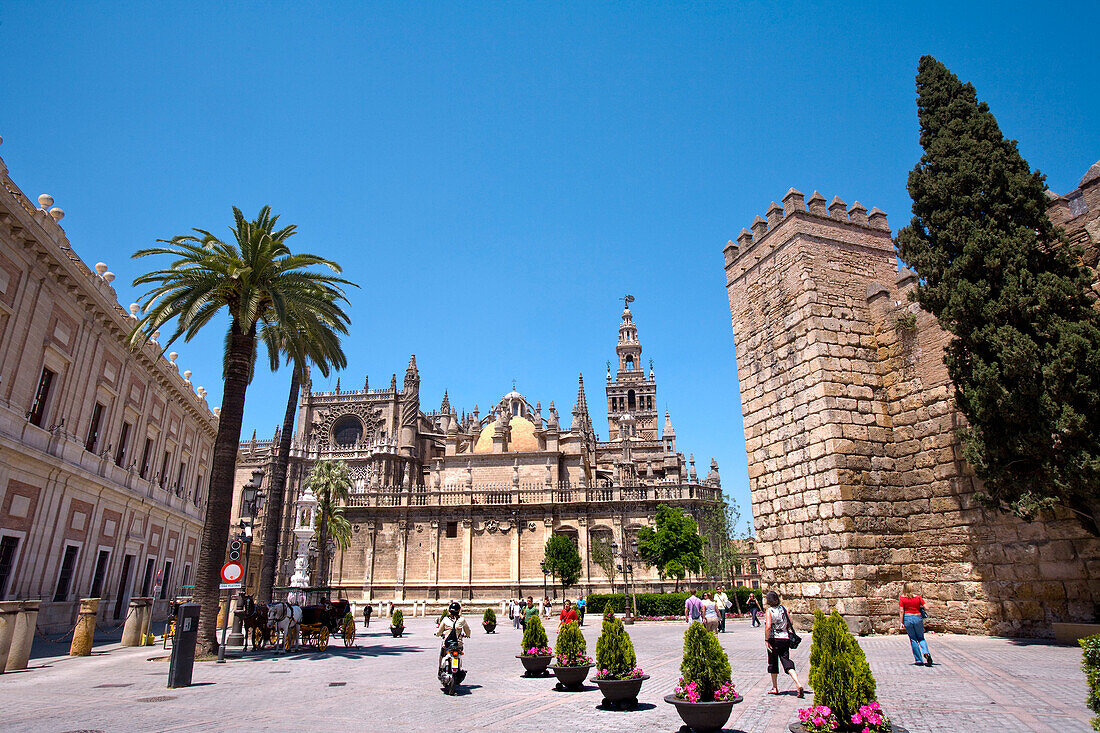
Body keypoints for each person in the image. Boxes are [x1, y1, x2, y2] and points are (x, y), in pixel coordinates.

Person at [764, 590, 804, 697]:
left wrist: (766, 640)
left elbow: (768, 626)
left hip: (774, 639)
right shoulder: (783, 609)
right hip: (785, 638)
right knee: (786, 661)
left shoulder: (769, 611)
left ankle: (775, 687)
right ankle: (798, 683)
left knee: (773, 662)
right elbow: (790, 622)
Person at [900, 582, 933, 666]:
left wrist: (901, 622)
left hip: (908, 617)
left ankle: (918, 660)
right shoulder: (918, 597)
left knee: (913, 639)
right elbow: (927, 608)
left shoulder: (902, 598)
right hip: (918, 617)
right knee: (921, 637)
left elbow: (901, 611)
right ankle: (926, 653)